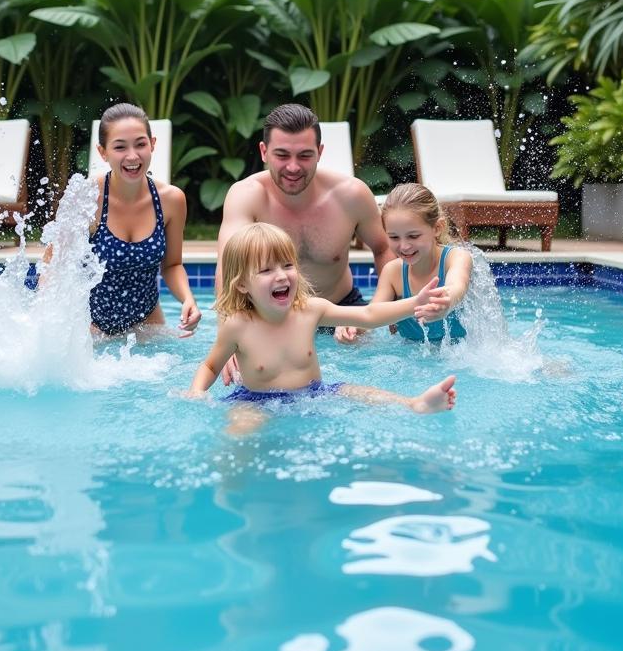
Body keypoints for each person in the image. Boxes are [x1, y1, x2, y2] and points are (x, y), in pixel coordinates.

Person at [188, 223, 457, 433]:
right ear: (242, 284)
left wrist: (415, 303)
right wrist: (197, 391)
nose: (281, 275)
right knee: (241, 431)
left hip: (315, 394)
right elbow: (210, 366)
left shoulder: (310, 310)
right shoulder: (238, 326)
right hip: (255, 400)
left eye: (288, 265)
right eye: (266, 270)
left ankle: (415, 404)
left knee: (359, 392)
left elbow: (368, 314)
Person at [216, 104, 395, 355]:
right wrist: (229, 336)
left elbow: (384, 248)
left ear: (319, 152)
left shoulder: (350, 195)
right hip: (269, 316)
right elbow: (227, 265)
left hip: (341, 313)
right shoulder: (247, 196)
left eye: (304, 155)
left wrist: (381, 314)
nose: (293, 167)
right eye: (282, 155)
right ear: (264, 152)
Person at [46, 102, 201, 337]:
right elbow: (52, 264)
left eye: (140, 144)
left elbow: (172, 265)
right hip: (91, 330)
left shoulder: (171, 200)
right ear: (103, 152)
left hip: (147, 326)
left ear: (153, 144)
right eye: (120, 147)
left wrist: (188, 298)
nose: (132, 156)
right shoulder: (87, 198)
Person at [371, 183, 472, 341]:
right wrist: (353, 327)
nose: (404, 246)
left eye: (413, 236)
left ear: (437, 228)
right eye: (394, 237)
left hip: (459, 356)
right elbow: (373, 313)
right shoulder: (392, 272)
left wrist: (446, 300)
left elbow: (457, 286)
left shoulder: (456, 258)